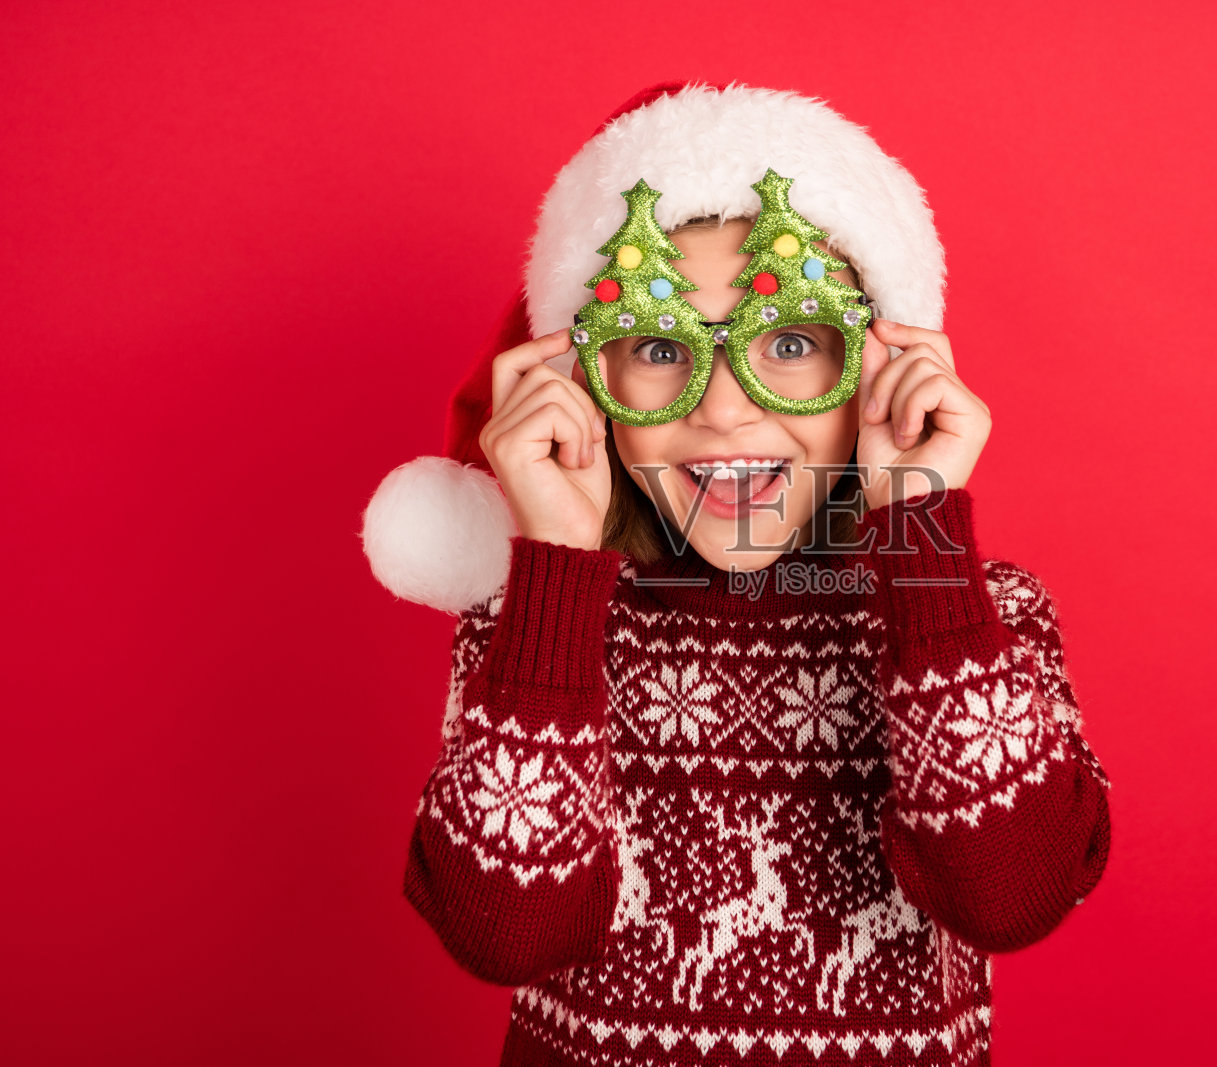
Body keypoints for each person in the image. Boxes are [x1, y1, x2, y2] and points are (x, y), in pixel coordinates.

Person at [363, 82, 1111, 1067]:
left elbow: (1007, 895)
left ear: (882, 367)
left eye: (793, 343)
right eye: (659, 345)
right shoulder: (535, 621)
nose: (721, 410)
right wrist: (552, 568)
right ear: (586, 387)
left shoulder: (981, 614)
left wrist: (923, 545)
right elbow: (504, 932)